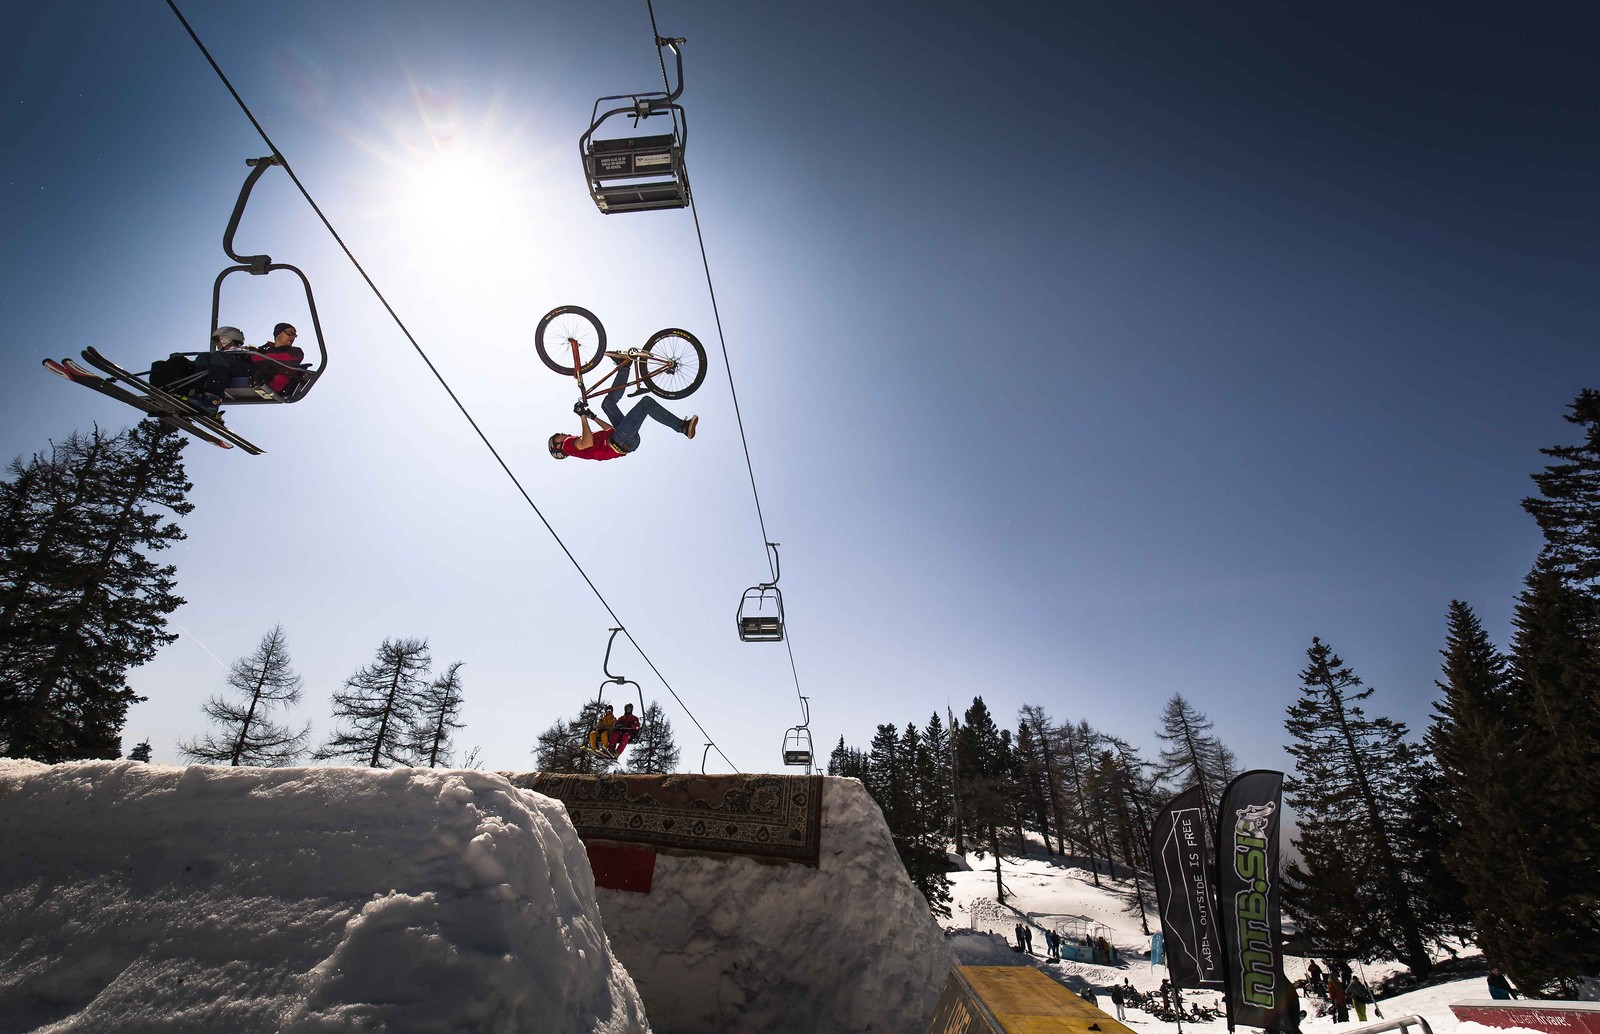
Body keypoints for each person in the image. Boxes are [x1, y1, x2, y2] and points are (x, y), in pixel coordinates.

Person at [549, 355, 698, 461]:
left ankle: (624, 367)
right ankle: (682, 426)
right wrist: (582, 416)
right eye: (558, 436)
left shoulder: (576, 446)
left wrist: (592, 416)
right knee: (646, 403)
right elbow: (587, 442)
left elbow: (610, 430)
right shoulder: (568, 445)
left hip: (622, 440)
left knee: (607, 404)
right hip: (620, 441)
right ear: (557, 446)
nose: (562, 433)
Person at [249, 322, 306, 397]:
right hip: (255, 378)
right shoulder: (264, 350)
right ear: (278, 333)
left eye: (294, 336)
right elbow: (254, 359)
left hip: (273, 385)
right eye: (289, 334)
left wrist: (257, 357)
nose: (292, 338)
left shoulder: (296, 352)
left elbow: (285, 359)